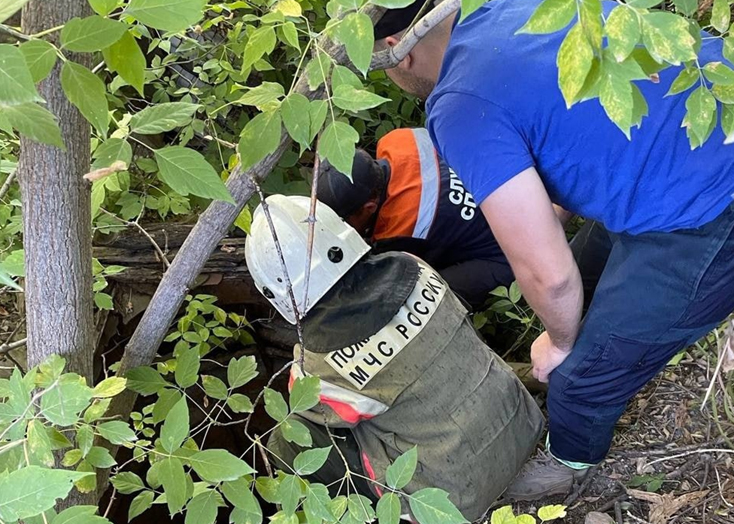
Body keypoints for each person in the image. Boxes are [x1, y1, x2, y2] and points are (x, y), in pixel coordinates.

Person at [373, 0, 734, 499]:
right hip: (703, 124)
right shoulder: (507, 6)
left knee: (579, 378)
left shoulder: (458, 103)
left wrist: (561, 343)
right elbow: (562, 148)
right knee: (584, 286)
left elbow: (552, 278)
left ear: (397, 51)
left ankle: (571, 463)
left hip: (712, 209)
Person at [244, 194, 544, 521]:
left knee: (289, 436)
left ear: (275, 292)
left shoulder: (316, 365)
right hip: (520, 423)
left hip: (459, 493)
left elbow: (320, 419)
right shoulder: (411, 265)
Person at [316, 127, 514, 309]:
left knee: (426, 292)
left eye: (342, 220)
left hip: (508, 252)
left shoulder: (403, 228)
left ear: (369, 207)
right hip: (509, 185)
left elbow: (393, 275)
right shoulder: (399, 140)